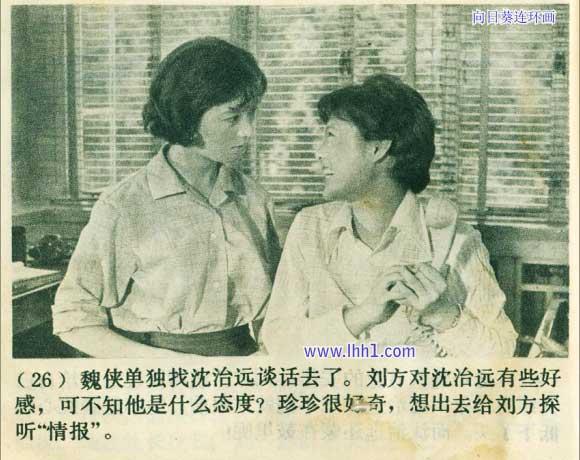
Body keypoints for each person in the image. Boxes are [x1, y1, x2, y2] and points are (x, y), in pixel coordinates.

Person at [52, 37, 280, 357]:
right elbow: (73, 317)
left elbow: (278, 307)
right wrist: (163, 365)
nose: (248, 131)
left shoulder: (255, 199)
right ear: (189, 114)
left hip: (244, 365)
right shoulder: (124, 205)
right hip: (155, 369)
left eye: (251, 114)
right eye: (233, 118)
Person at [261, 74, 517, 358]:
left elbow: (501, 355)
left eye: (331, 135)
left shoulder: (457, 240)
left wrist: (443, 314)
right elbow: (276, 341)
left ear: (378, 148)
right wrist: (361, 316)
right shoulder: (310, 227)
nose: (319, 152)